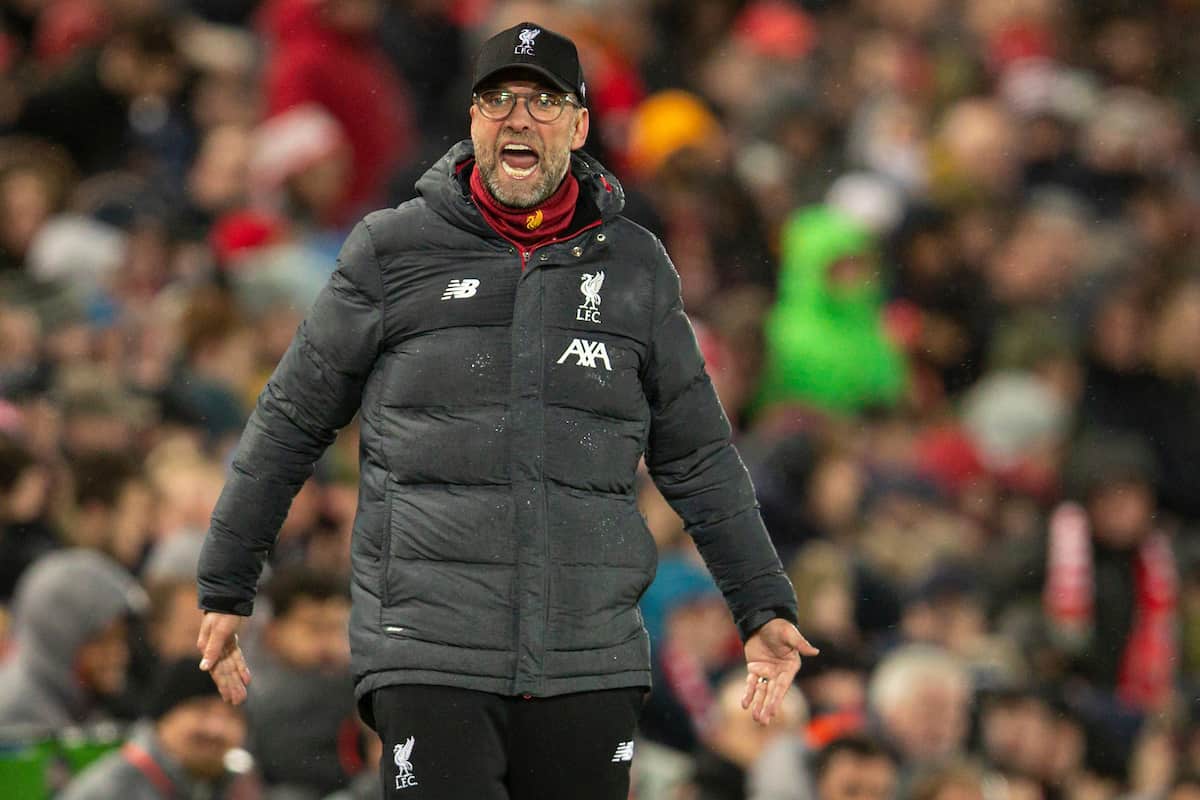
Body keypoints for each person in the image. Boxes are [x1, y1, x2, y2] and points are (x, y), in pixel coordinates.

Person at [196, 21, 812, 800]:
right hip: (428, 648)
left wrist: (760, 603)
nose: (517, 117)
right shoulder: (391, 251)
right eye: (497, 99)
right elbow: (290, 420)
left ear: (581, 126)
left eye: (543, 101)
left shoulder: (634, 267)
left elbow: (695, 455)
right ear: (474, 122)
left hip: (587, 656)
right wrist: (225, 583)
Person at [59, 657, 254, 800]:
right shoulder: (115, 789)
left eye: (231, 715)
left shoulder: (234, 785)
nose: (216, 729)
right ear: (163, 718)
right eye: (202, 710)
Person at [0, 548, 145, 731]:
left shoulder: (84, 705)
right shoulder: (16, 717)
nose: (120, 654)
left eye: (121, 639)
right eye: (102, 641)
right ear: (59, 639)